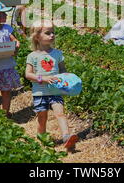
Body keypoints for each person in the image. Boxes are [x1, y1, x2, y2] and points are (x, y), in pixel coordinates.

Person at [25, 20, 78, 151]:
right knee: (42, 117)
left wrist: (68, 81)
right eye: (48, 33)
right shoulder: (32, 56)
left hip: (55, 91)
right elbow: (28, 74)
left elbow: (63, 71)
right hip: (40, 92)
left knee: (60, 113)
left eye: (53, 32)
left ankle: (67, 137)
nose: (52, 35)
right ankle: (41, 138)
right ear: (37, 37)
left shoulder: (57, 54)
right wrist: (43, 78)